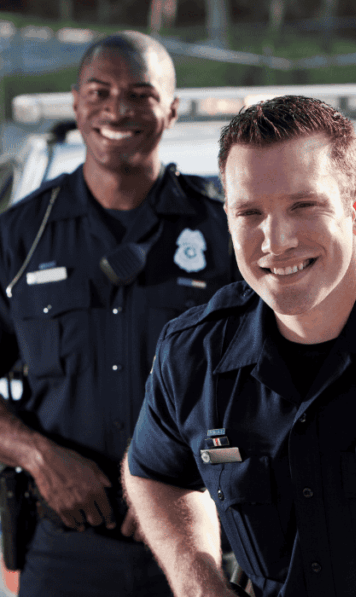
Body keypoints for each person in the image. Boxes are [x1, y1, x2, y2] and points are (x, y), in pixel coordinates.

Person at [123, 96, 356, 597]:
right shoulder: (194, 352)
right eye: (251, 212)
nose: (275, 240)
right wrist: (198, 582)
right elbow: (154, 472)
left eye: (303, 206)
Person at [0, 31, 238, 596]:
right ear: (77, 103)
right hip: (65, 552)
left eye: (139, 94)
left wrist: (194, 472)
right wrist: (38, 455)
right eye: (100, 92)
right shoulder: (21, 237)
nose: (117, 110)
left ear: (171, 109)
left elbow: (275, 382)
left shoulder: (224, 232)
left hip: (198, 546)